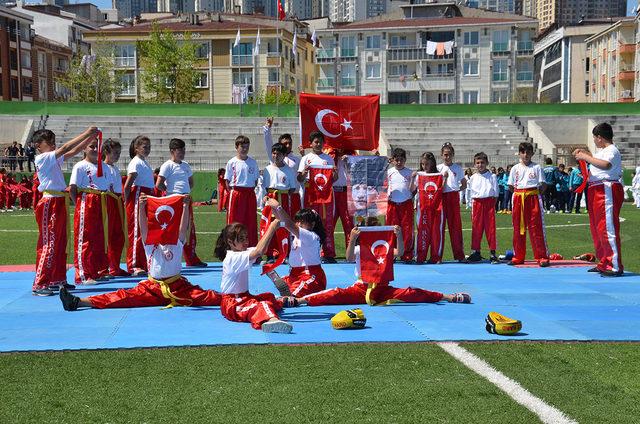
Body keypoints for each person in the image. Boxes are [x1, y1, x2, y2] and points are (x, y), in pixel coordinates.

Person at [59, 194, 222, 310]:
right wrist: (142, 207)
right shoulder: (150, 243)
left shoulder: (176, 242)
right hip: (152, 287)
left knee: (208, 297)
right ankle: (78, 301)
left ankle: (236, 299)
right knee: (122, 296)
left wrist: (185, 206)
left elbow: (183, 225)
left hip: (178, 286)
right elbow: (142, 226)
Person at [287, 218, 471, 307]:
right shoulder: (360, 249)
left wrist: (398, 235)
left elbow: (398, 252)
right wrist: (352, 239)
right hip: (361, 288)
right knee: (333, 295)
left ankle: (448, 296)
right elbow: (350, 257)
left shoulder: (382, 249)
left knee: (412, 292)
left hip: (383, 288)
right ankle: (299, 300)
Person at [32, 127, 98, 296]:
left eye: (54, 142)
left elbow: (74, 150)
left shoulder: (52, 158)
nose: (53, 145)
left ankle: (57, 279)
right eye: (49, 142)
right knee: (50, 243)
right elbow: (67, 148)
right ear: (38, 145)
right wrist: (87, 133)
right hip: (50, 201)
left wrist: (90, 137)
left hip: (59, 200)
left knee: (61, 242)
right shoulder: (43, 158)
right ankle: (40, 283)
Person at [215, 219, 292, 333]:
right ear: (230, 242)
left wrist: (272, 228)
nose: (246, 241)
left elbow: (262, 249)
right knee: (262, 305)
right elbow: (259, 251)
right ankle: (272, 320)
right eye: (241, 239)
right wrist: (272, 227)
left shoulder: (242, 252)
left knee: (269, 297)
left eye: (246, 237)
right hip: (232, 302)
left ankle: (281, 303)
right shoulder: (232, 257)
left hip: (244, 297)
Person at [573, 123, 624, 277]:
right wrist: (585, 154)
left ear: (600, 138)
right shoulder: (602, 151)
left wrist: (585, 157)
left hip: (606, 189)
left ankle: (614, 265)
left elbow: (606, 165)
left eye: (595, 137)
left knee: (607, 228)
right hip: (596, 189)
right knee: (597, 229)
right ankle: (604, 261)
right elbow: (597, 160)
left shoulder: (612, 150)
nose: (594, 140)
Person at [156, 138, 207, 267]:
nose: (182, 152)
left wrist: (185, 193)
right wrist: (172, 194)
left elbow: (191, 182)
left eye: (184, 150)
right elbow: (159, 184)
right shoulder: (167, 165)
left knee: (189, 229)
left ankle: (191, 258)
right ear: (172, 151)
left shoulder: (185, 165)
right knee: (173, 230)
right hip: (173, 201)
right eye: (180, 150)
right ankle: (169, 257)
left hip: (185, 200)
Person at [264, 197, 328, 297]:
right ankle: (287, 290)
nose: (298, 224)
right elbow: (282, 221)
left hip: (310, 275)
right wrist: (271, 206)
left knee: (294, 295)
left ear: (312, 224)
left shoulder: (311, 236)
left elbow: (288, 224)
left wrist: (278, 207)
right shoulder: (299, 235)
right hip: (295, 274)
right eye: (297, 221)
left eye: (302, 222)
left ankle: (290, 297)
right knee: (289, 284)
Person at [69, 139, 111, 285]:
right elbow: (73, 189)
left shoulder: (105, 167)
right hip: (87, 200)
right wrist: (80, 205)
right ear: (84, 149)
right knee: (85, 238)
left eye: (97, 147)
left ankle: (97, 270)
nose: (94, 149)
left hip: (102, 200)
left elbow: (107, 186)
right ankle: (83, 274)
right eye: (91, 146)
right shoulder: (80, 166)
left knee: (99, 237)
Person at [297, 131, 338, 263]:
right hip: (311, 192)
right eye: (316, 141)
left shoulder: (328, 159)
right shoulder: (306, 159)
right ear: (311, 143)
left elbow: (334, 179)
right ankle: (309, 252)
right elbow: (299, 179)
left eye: (320, 141)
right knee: (309, 220)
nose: (318, 144)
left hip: (325, 193)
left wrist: (335, 173)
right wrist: (304, 172)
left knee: (327, 222)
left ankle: (328, 252)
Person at [507, 142, 550, 267]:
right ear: (519, 153)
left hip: (533, 197)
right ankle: (518, 256)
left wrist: (535, 194)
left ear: (532, 153)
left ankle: (542, 256)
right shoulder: (515, 168)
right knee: (518, 228)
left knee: (536, 228)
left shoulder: (536, 167)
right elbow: (510, 186)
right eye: (523, 152)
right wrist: (519, 194)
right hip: (519, 198)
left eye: (528, 152)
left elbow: (543, 184)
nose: (525, 155)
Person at [124, 135, 154, 276]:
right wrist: (127, 199)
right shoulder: (136, 162)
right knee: (136, 231)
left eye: (148, 147)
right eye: (144, 147)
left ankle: (143, 262)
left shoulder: (144, 162)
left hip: (147, 195)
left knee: (145, 231)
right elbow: (128, 184)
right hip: (138, 195)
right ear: (136, 149)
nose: (147, 149)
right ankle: (134, 265)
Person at [225, 135, 259, 247]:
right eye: (242, 147)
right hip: (236, 193)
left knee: (251, 222)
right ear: (236, 147)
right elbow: (227, 181)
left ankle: (252, 249)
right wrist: (233, 193)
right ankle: (232, 249)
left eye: (246, 147)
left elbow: (255, 181)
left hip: (249, 194)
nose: (244, 149)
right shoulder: (231, 162)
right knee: (234, 222)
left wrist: (248, 190)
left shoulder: (253, 162)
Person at [263, 117, 301, 216]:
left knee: (293, 224)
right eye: (285, 143)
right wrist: (267, 128)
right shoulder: (275, 159)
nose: (288, 145)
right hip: (279, 195)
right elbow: (268, 145)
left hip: (295, 195)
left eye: (290, 143)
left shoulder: (297, 159)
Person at [412, 152, 446, 264]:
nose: (424, 167)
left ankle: (436, 257)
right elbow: (412, 189)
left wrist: (445, 178)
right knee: (422, 232)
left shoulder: (439, 175)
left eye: (427, 164)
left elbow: (442, 189)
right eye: (422, 164)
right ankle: (420, 256)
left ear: (432, 163)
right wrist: (412, 178)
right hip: (423, 208)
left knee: (437, 232)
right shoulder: (419, 175)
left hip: (437, 208)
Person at [103, 138, 130, 277]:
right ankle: (105, 267)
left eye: (119, 153)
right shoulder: (102, 167)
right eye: (115, 152)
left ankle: (115, 266)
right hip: (108, 201)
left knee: (118, 236)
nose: (117, 155)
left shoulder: (116, 168)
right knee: (107, 236)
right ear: (106, 152)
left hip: (118, 201)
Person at [466, 152, 498, 263]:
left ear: (487, 163)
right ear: (475, 164)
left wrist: (492, 204)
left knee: (490, 229)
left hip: (489, 202)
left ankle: (493, 253)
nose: (480, 165)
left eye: (482, 163)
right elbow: (470, 193)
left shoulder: (492, 176)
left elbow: (496, 193)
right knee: (476, 228)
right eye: (478, 163)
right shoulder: (473, 177)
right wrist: (470, 204)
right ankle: (476, 252)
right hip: (477, 203)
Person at [437, 142, 466, 262]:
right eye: (445, 154)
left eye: (449, 155)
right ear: (441, 155)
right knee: (439, 228)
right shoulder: (438, 168)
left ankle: (459, 255)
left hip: (453, 197)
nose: (447, 157)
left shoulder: (457, 168)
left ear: (453, 155)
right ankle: (437, 255)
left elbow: (464, 184)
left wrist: (456, 190)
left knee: (456, 228)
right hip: (441, 198)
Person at [386, 148, 415, 263]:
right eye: (396, 160)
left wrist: (413, 178)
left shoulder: (409, 172)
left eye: (401, 160)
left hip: (406, 204)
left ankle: (407, 253)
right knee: (391, 229)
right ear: (393, 160)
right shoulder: (389, 172)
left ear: (405, 160)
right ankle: (391, 253)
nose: (399, 162)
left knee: (407, 230)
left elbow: (413, 190)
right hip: (392, 204)